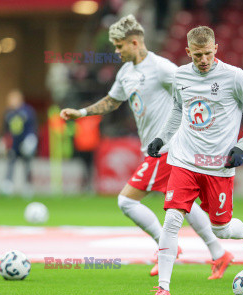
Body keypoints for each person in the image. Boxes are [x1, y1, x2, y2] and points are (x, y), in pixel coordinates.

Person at [60, 15, 233, 280]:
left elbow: (191, 91)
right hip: (155, 150)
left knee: (126, 201)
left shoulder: (162, 68)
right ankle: (219, 252)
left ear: (134, 42)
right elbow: (111, 101)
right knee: (184, 206)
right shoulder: (126, 73)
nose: (116, 52)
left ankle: (165, 247)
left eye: (119, 46)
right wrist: (82, 113)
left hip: (166, 149)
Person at [146, 26, 243, 295]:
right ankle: (164, 289)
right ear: (188, 51)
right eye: (197, 54)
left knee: (221, 228)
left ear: (217, 49)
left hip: (218, 166)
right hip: (184, 160)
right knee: (172, 219)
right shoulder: (181, 75)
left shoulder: (234, 77)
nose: (203, 59)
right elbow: (179, 109)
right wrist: (162, 138)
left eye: (208, 53)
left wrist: (242, 147)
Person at [0, 89, 38, 196]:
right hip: (13, 144)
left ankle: (28, 185)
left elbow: (32, 127)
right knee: (10, 163)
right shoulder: (8, 112)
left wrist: (31, 139)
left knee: (27, 164)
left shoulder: (28, 111)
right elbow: (5, 129)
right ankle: (8, 184)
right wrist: (2, 140)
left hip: (25, 142)